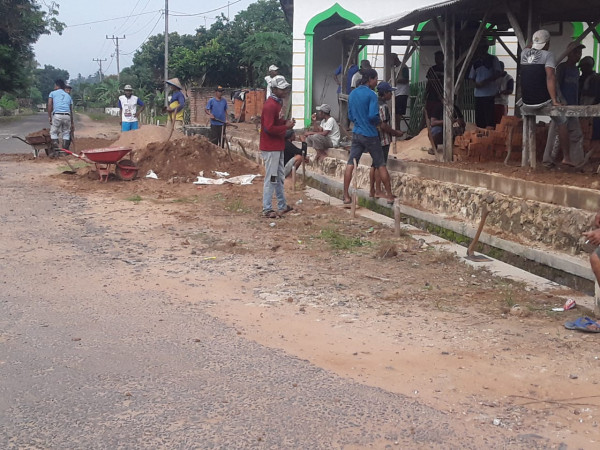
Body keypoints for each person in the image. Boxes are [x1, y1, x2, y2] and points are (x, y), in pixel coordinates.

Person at [343, 68, 395, 206]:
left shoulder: (352, 93)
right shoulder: (371, 95)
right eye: (376, 79)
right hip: (370, 134)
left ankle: (346, 195)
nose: (376, 82)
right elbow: (372, 115)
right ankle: (389, 195)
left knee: (350, 163)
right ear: (370, 79)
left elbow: (350, 116)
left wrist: (359, 122)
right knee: (381, 164)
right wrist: (378, 123)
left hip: (357, 133)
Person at [520, 29, 570, 169]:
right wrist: (554, 100)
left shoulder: (523, 54)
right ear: (547, 43)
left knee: (531, 118)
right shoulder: (548, 55)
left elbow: (527, 47)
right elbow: (550, 77)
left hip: (526, 101)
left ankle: (528, 160)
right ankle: (566, 157)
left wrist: (533, 42)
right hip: (541, 101)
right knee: (562, 121)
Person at [542, 41, 585, 167]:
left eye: (580, 53)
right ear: (569, 53)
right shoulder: (562, 68)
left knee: (576, 134)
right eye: (576, 52)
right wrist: (560, 101)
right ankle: (547, 161)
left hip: (573, 108)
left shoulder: (576, 71)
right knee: (554, 133)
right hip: (561, 107)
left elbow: (576, 90)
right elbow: (556, 85)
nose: (578, 55)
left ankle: (577, 162)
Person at [260, 75, 295, 218]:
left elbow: (277, 122)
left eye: (285, 88)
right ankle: (267, 208)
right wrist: (285, 127)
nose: (285, 91)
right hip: (271, 147)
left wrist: (286, 123)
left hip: (277, 145)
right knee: (272, 177)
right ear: (274, 89)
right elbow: (268, 128)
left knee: (279, 176)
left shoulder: (278, 103)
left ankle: (281, 204)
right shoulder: (270, 106)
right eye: (282, 89)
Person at [369, 82, 403, 198]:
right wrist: (395, 133)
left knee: (374, 165)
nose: (391, 95)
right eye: (390, 92)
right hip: (382, 139)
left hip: (372, 138)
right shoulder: (383, 106)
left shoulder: (373, 103)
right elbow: (383, 125)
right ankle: (379, 190)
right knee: (380, 165)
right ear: (385, 93)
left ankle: (372, 190)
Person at [469, 42, 502, 128]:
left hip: (489, 93)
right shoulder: (475, 63)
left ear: (486, 48)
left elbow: (498, 73)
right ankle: (480, 136)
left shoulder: (493, 59)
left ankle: (489, 136)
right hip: (478, 94)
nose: (481, 51)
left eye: (483, 48)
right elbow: (471, 78)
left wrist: (485, 81)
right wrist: (475, 84)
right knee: (479, 118)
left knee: (489, 117)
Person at [47, 78, 74, 157]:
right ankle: (65, 152)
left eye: (55, 85)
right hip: (67, 116)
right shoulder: (68, 96)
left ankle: (56, 152)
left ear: (56, 86)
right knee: (66, 133)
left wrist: (49, 116)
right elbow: (71, 110)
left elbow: (49, 105)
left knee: (53, 132)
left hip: (57, 115)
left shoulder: (52, 93)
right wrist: (72, 122)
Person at [425, 50, 445, 119]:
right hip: (432, 94)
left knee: (440, 112)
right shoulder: (432, 69)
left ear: (442, 58)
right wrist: (426, 93)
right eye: (435, 58)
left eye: (438, 58)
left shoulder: (446, 69)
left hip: (442, 94)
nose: (436, 60)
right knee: (429, 112)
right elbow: (429, 82)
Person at [391, 53, 410, 120]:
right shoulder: (394, 68)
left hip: (402, 93)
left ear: (395, 59)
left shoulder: (403, 67)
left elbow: (406, 80)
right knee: (395, 113)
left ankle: (398, 129)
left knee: (398, 113)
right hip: (396, 93)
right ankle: (396, 128)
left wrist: (395, 80)